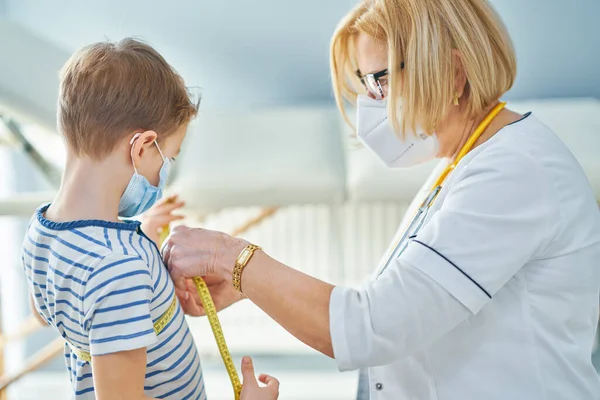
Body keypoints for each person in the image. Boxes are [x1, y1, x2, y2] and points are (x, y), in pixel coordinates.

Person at [162, 1, 600, 399]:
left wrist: (231, 258)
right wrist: (251, 287)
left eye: (382, 79)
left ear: (453, 72)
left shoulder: (514, 172)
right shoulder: (462, 164)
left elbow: (374, 325)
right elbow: (392, 299)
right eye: (365, 82)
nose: (372, 103)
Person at [21, 38, 276, 400]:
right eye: (167, 158)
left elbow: (49, 311)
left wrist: (145, 244)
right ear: (141, 147)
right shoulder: (119, 268)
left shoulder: (41, 229)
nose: (163, 173)